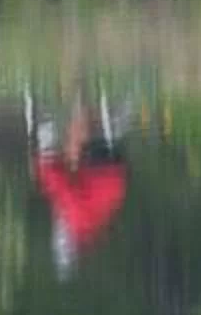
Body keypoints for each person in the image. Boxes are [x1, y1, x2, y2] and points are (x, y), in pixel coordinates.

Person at [28, 91, 130, 277]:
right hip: (102, 172)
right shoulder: (73, 218)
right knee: (74, 146)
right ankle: (80, 101)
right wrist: (40, 163)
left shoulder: (87, 231)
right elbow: (58, 182)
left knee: (74, 157)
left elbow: (62, 184)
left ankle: (113, 117)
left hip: (116, 176)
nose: (57, 229)